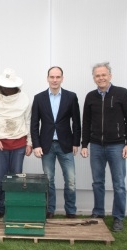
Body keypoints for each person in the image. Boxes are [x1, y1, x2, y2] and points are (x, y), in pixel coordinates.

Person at [80, 62, 127, 232]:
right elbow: (86, 122)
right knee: (98, 182)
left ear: (110, 76)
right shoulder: (90, 96)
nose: (101, 78)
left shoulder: (122, 93)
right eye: (97, 75)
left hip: (117, 146)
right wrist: (84, 144)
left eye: (104, 74)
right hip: (96, 146)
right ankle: (98, 213)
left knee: (118, 184)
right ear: (94, 78)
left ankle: (118, 218)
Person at [31, 66, 81, 219]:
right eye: (52, 77)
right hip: (46, 146)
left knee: (71, 180)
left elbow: (76, 122)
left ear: (62, 79)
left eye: (57, 77)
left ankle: (70, 210)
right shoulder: (39, 98)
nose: (54, 80)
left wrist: (76, 142)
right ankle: (50, 209)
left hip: (65, 145)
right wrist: (36, 145)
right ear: (47, 78)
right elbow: (34, 124)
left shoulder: (71, 97)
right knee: (49, 181)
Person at [0, 68, 33, 217]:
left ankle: (13, 207)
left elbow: (28, 120)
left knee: (16, 179)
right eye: (4, 85)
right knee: (0, 179)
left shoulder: (24, 98)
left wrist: (29, 142)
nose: (6, 88)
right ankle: (0, 209)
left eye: (9, 86)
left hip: (19, 145)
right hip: (0, 146)